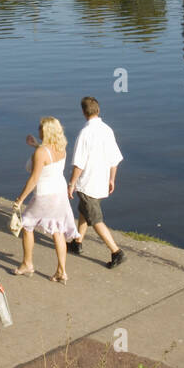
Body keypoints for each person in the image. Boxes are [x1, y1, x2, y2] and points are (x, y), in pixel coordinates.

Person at [13, 118, 80, 283]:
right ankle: (61, 271)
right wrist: (36, 145)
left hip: (45, 195)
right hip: (60, 193)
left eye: (40, 128)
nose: (38, 130)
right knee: (57, 230)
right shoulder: (61, 147)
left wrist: (20, 200)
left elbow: (34, 178)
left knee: (27, 224)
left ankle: (27, 263)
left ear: (46, 131)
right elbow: (47, 159)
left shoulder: (41, 152)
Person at [67, 97, 125, 268]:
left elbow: (79, 163)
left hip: (88, 183)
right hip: (102, 181)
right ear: (98, 110)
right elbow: (115, 158)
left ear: (84, 113)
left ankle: (116, 252)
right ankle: (77, 242)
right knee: (85, 210)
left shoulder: (85, 133)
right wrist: (112, 178)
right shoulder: (107, 130)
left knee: (96, 219)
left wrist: (71, 183)